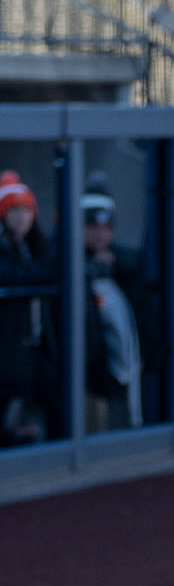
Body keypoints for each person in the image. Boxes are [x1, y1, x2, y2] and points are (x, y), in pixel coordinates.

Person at [79, 194, 149, 433]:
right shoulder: (69, 256)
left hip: (121, 368)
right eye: (92, 227)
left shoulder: (118, 259)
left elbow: (140, 260)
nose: (100, 234)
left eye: (106, 228)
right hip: (87, 365)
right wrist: (90, 269)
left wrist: (113, 264)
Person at [0, 174, 57, 448]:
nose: (22, 217)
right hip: (9, 348)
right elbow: (14, 276)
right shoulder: (5, 247)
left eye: (26, 210)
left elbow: (50, 269)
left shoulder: (35, 245)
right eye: (14, 210)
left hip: (36, 345)